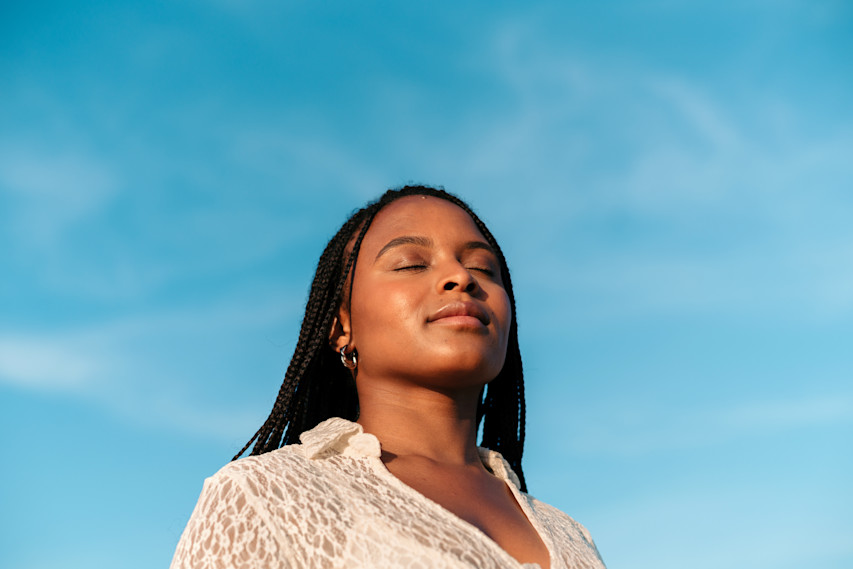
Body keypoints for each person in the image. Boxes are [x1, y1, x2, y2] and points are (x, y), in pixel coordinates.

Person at [170, 186, 606, 569]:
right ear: (342, 327)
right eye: (412, 264)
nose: (460, 277)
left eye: (483, 268)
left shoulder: (570, 534)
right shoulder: (265, 497)